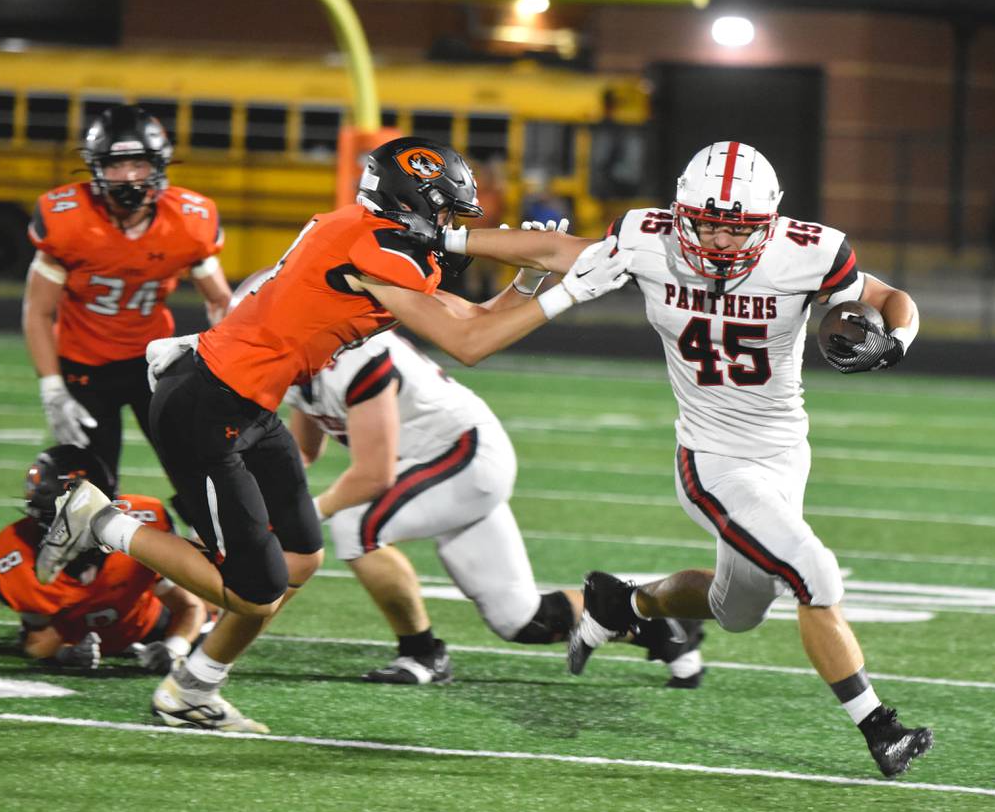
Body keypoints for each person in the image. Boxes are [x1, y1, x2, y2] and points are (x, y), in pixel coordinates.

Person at [34, 136, 632, 733]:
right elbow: (469, 343)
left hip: (248, 401)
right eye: (444, 211)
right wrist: (573, 292)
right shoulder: (375, 249)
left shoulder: (371, 234)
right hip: (209, 404)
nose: (449, 226)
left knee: (300, 558)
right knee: (251, 593)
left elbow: (474, 316)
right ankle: (100, 520)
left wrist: (532, 281)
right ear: (414, 202)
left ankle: (193, 690)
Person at [430, 140, 933, 778]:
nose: (722, 240)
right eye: (710, 223)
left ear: (771, 221)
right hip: (714, 460)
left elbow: (891, 298)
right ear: (681, 211)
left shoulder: (810, 252)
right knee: (814, 572)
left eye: (739, 227)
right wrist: (450, 241)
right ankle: (880, 729)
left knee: (738, 609)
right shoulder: (648, 238)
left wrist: (895, 341)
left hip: (784, 452)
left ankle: (624, 604)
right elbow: (557, 251)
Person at [277, 245, 703, 687]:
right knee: (521, 619)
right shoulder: (302, 355)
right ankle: (659, 622)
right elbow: (305, 450)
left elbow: (373, 474)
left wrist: (304, 514)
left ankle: (421, 653)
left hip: (462, 456)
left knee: (354, 526)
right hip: (434, 471)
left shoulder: (356, 354)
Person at [22, 104, 233, 480]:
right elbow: (38, 311)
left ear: (159, 165)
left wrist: (226, 372)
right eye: (116, 166)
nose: (129, 176)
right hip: (84, 365)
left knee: (198, 465)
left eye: (139, 164)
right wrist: (52, 389)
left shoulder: (188, 222)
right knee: (91, 482)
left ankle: (201, 536)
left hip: (154, 362)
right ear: (96, 168)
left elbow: (219, 301)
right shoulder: (68, 220)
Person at [0, 444, 208, 672]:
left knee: (215, 604)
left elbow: (189, 606)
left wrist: (174, 648)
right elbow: (37, 640)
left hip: (149, 626)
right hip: (73, 636)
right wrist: (64, 653)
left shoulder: (143, 525)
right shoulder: (16, 555)